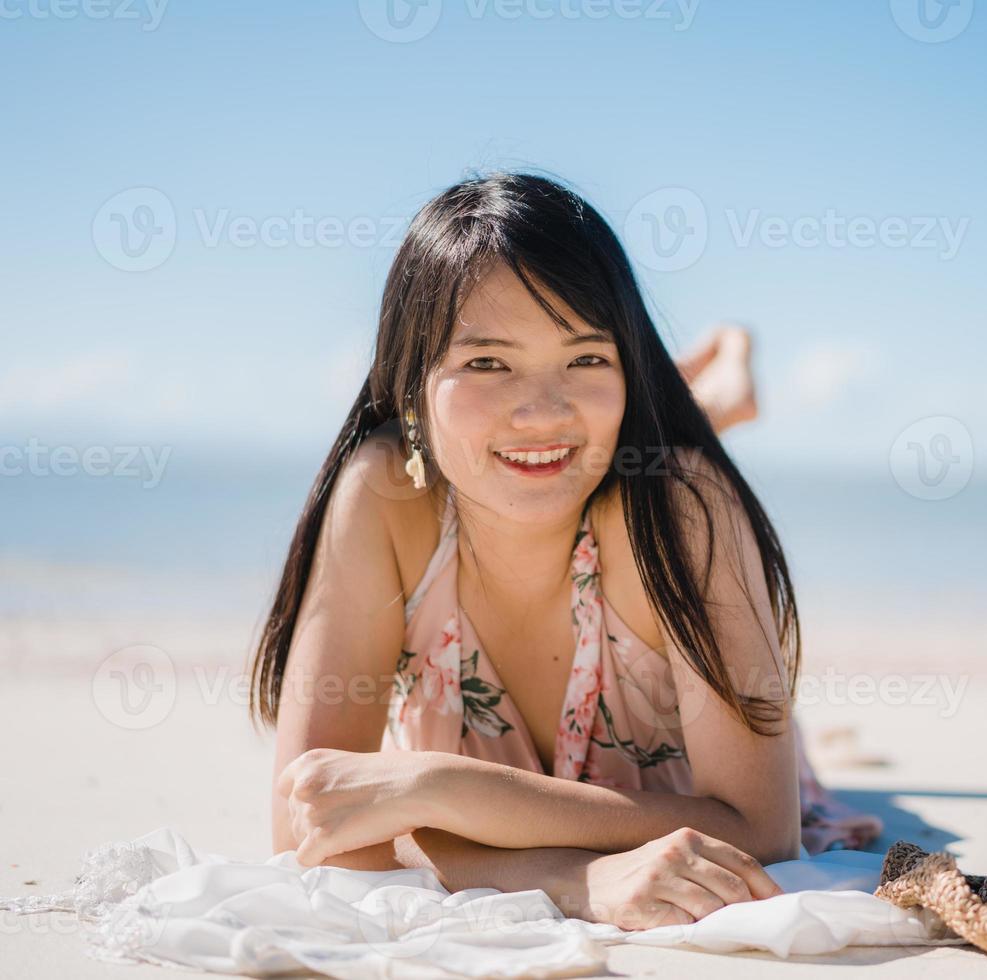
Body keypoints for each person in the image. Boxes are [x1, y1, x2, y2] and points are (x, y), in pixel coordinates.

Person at [251, 172, 882, 931]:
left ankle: (714, 391)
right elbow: (307, 824)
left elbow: (764, 828)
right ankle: (706, 395)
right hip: (575, 475)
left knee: (655, 454)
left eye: (586, 357)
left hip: (686, 635)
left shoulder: (681, 509)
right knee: (562, 443)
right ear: (410, 385)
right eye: (487, 362)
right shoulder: (386, 495)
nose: (541, 405)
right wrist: (570, 878)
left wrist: (435, 786)